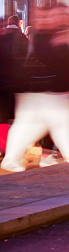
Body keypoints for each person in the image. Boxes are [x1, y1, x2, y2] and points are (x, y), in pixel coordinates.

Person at [1, 4, 69, 172]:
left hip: (44, 89)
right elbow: (59, 62)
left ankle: (15, 157)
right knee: (53, 122)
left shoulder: (46, 35)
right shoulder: (43, 37)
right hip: (44, 88)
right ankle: (68, 157)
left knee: (39, 124)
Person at [0, 15, 28, 156]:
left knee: (4, 117)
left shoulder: (6, 41)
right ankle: (6, 149)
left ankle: (6, 148)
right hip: (8, 83)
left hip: (6, 83)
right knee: (5, 117)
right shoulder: (14, 39)